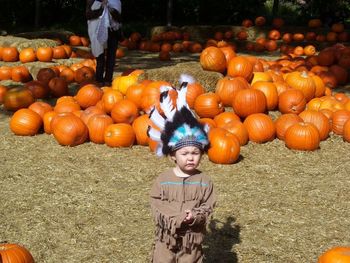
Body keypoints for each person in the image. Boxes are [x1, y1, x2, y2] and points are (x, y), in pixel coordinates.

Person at [148, 75, 216, 262]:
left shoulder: (204, 182)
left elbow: (208, 206)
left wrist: (195, 216)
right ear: (172, 156)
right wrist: (172, 217)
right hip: (166, 239)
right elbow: (155, 202)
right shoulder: (163, 179)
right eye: (184, 153)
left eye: (195, 153)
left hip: (191, 241)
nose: (190, 157)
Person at [86, 0, 122, 86]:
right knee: (100, 57)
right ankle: (99, 80)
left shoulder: (116, 1)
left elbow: (119, 18)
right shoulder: (92, 1)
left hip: (113, 31)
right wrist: (102, 8)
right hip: (97, 31)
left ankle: (108, 80)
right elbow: (89, 15)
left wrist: (109, 9)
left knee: (111, 57)